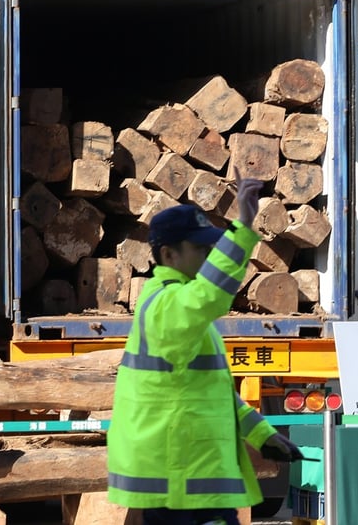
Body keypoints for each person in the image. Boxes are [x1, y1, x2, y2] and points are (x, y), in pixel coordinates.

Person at [107, 175, 304, 525]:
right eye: (201, 249)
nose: (210, 255)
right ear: (168, 254)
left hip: (189, 480)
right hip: (177, 482)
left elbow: (212, 395)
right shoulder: (166, 307)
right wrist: (243, 226)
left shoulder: (182, 311)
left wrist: (262, 434)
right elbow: (210, 295)